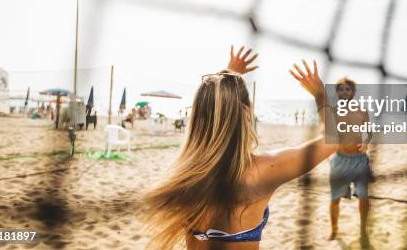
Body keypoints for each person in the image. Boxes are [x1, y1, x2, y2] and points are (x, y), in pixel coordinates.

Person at [144, 46, 335, 249]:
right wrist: (320, 96)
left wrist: (227, 73)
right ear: (248, 113)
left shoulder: (186, 175)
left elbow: (214, 103)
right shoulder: (265, 171)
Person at [327, 77, 372, 247]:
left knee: (364, 197)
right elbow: (327, 134)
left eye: (348, 89)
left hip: (360, 160)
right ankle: (334, 230)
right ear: (337, 92)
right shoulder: (333, 110)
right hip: (339, 159)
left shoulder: (362, 110)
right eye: (341, 89)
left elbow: (369, 132)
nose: (344, 92)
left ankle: (363, 230)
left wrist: (366, 142)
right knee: (334, 199)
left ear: (353, 92)